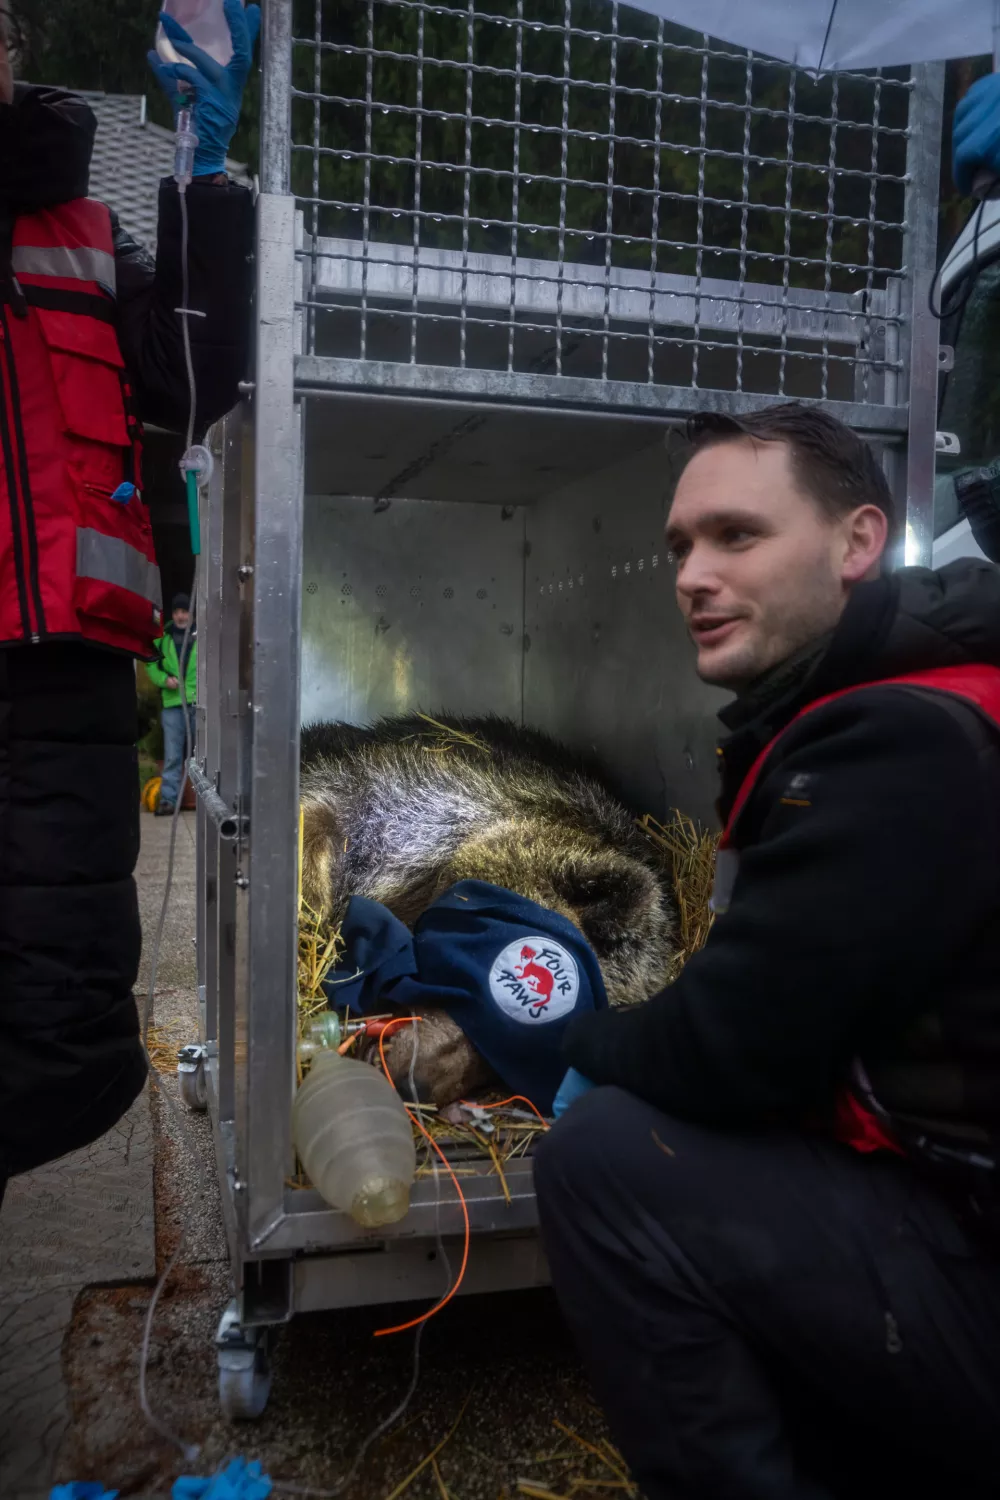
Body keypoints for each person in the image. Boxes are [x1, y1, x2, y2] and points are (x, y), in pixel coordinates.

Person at [535, 404, 1000, 1500]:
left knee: (605, 1161)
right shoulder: (908, 701)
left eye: (737, 536)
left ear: (857, 543)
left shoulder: (905, 741)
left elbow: (736, 1052)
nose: (693, 575)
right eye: (680, 546)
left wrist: (566, 1037)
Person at [0, 3, 258, 1202]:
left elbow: (195, 378)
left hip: (59, 704)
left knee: (46, 1045)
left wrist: (201, 173)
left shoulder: (89, 234)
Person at [147, 592, 198, 816]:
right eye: (177, 612)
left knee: (202, 756)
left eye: (184, 611)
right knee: (173, 756)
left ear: (191, 613)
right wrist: (163, 680)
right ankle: (167, 800)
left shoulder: (201, 637)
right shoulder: (163, 639)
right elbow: (149, 663)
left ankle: (204, 802)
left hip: (198, 703)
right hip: (173, 705)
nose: (180, 616)